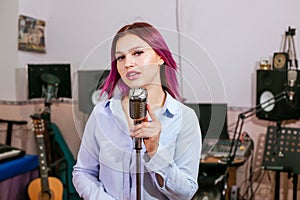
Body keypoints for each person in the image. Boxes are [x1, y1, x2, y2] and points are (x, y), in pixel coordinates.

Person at [72, 22, 202, 200]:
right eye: (121, 57)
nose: (128, 63)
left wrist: (155, 152)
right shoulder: (102, 113)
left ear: (160, 57)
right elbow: (83, 172)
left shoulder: (184, 118)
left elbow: (185, 193)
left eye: (137, 53)